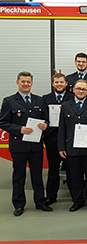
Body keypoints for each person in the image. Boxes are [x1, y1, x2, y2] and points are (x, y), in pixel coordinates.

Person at [0, 72, 52, 216]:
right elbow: (3, 122)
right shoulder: (9, 101)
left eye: (28, 82)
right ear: (17, 82)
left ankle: (40, 202)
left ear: (32, 83)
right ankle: (18, 204)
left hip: (36, 146)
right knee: (19, 176)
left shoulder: (39, 100)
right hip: (19, 145)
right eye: (23, 81)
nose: (26, 84)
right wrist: (19, 129)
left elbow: (46, 120)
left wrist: (45, 125)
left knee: (37, 175)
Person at [58, 79, 87, 212]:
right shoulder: (66, 105)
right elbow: (62, 128)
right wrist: (61, 147)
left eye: (84, 89)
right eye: (78, 88)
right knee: (74, 176)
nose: (81, 91)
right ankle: (77, 201)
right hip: (72, 149)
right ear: (73, 89)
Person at [42, 73, 74, 205]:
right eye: (56, 82)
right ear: (52, 84)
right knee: (53, 169)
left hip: (69, 139)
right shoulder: (45, 99)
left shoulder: (72, 98)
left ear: (66, 83)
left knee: (71, 170)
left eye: (61, 82)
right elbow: (42, 117)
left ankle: (75, 196)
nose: (59, 84)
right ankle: (51, 196)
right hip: (52, 139)